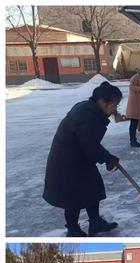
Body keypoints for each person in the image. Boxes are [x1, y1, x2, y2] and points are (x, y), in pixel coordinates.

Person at [43, 81, 122, 237]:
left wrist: (106, 157)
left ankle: (95, 223)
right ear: (102, 102)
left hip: (79, 158)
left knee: (92, 188)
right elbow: (89, 144)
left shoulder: (91, 110)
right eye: (114, 105)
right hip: (67, 161)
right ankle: (73, 230)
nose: (115, 109)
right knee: (73, 197)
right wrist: (107, 158)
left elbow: (89, 144)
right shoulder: (86, 116)